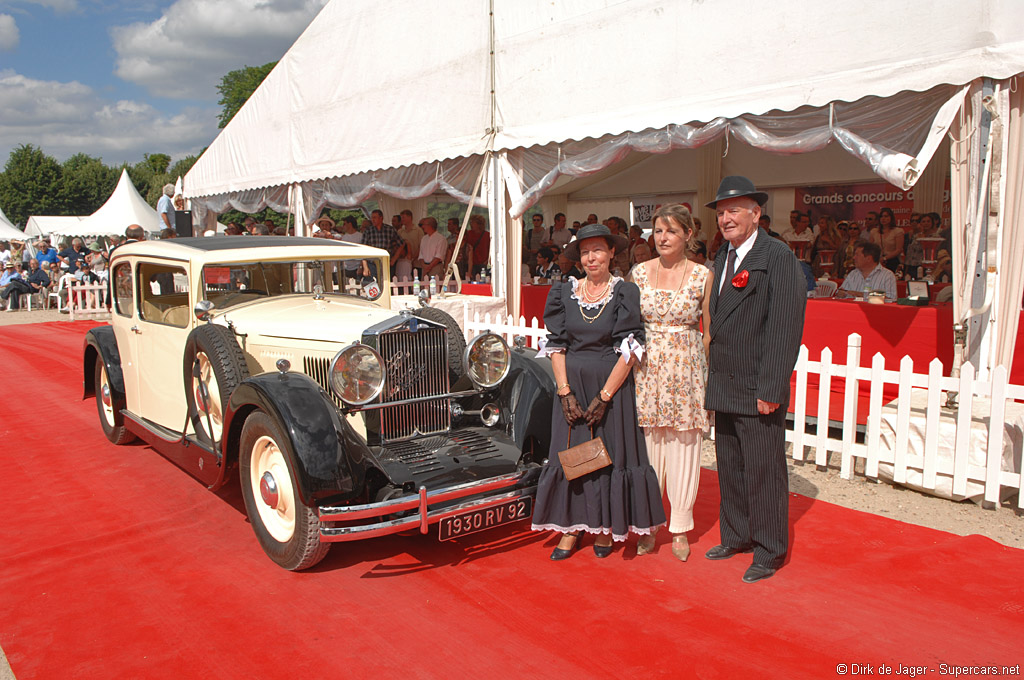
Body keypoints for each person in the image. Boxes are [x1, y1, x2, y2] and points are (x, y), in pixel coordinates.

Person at [530, 223, 665, 559]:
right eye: (585, 252)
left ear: (611, 253)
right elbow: (557, 344)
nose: (592, 258)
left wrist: (605, 397)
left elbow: (631, 349)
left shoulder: (624, 293)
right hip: (572, 384)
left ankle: (604, 527)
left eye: (598, 250)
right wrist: (564, 392)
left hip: (611, 388)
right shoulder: (564, 292)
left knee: (607, 457)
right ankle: (571, 527)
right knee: (573, 455)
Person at [704, 175, 806, 584]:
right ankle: (737, 534)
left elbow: (785, 328)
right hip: (725, 381)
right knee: (729, 464)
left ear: (756, 213)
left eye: (734, 210)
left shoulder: (776, 256)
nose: (726, 218)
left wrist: (772, 387)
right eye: (721, 212)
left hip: (756, 384)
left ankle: (768, 549)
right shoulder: (722, 258)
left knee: (764, 470)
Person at [631, 203, 712, 561]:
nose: (662, 238)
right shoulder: (637, 273)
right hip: (646, 371)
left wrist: (697, 366)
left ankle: (679, 526)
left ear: (688, 235)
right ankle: (648, 525)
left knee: (683, 446)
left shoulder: (702, 275)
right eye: (658, 231)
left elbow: (708, 330)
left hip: (686, 369)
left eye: (671, 231)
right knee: (649, 448)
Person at [871, 207, 904, 272]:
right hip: (877, 261)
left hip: (892, 261)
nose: (883, 219)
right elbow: (871, 248)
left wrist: (884, 258)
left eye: (886, 216)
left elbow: (898, 249)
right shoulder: (874, 231)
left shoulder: (898, 231)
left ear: (891, 218)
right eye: (881, 216)